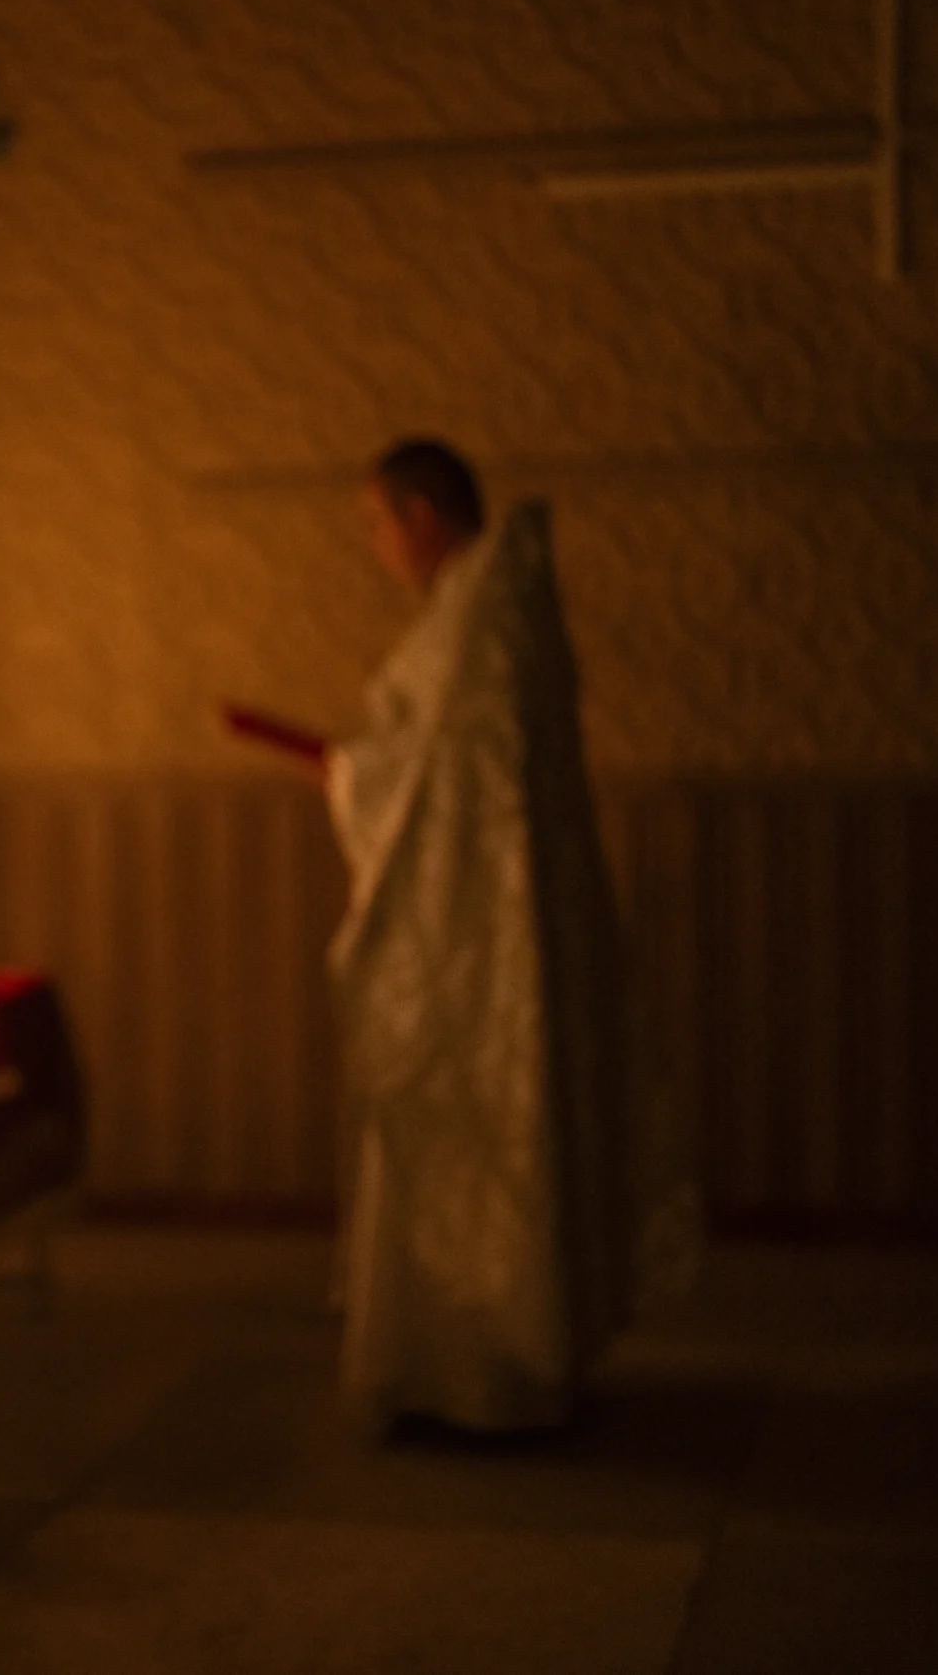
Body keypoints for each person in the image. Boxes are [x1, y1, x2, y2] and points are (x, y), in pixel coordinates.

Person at [327, 439, 696, 1434]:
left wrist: (352, 778)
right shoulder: (485, 611)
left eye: (374, 522)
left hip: (485, 933)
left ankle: (485, 1373)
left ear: (422, 518)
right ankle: (452, 1368)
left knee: (483, 1119)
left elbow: (441, 776)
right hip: (486, 919)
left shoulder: (483, 617)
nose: (372, 546)